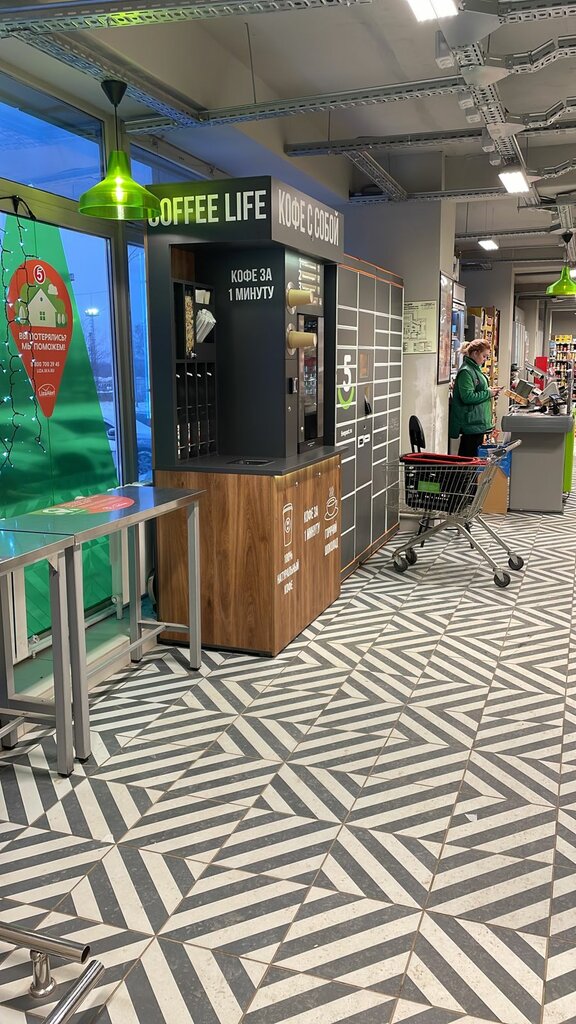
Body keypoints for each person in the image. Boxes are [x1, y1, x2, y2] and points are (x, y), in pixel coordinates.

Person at [449, 338, 502, 458]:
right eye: (484, 356)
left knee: (472, 458)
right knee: (469, 459)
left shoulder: (475, 369)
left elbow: (479, 390)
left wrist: (491, 392)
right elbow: (467, 397)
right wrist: (488, 393)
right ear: (475, 353)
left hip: (477, 423)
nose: (485, 360)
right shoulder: (466, 372)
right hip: (471, 424)